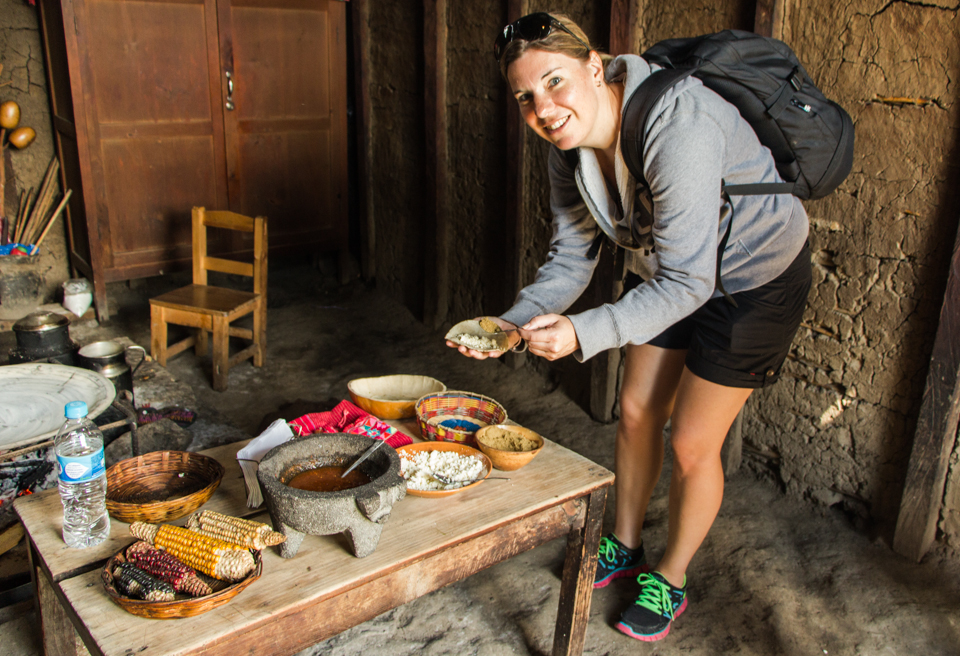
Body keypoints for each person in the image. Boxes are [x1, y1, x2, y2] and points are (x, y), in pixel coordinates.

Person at [447, 12, 812, 642]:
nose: (544, 108)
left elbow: (691, 285)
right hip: (672, 266)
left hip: (754, 277)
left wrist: (584, 333)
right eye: (526, 98)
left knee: (692, 443)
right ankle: (624, 543)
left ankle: (669, 579)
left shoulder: (680, 125)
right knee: (638, 410)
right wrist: (506, 324)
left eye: (555, 82)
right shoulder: (568, 144)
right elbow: (570, 259)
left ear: (595, 66)